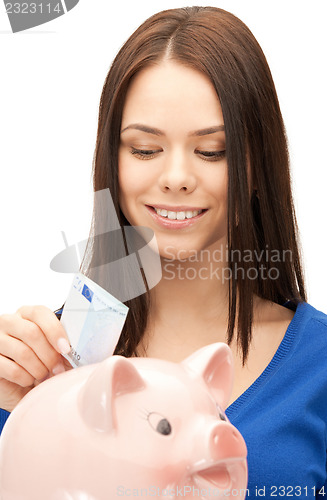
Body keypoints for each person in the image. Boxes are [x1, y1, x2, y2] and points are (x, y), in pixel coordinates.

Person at [0, 6, 326, 497]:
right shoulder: (37, 364)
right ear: (111, 160)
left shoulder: (319, 365)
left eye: (212, 151)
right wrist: (29, 425)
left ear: (259, 164)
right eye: (145, 150)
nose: (175, 177)